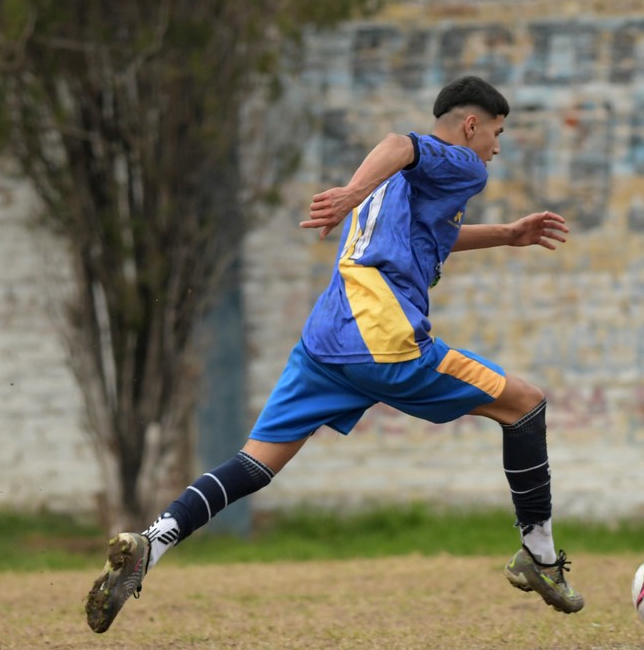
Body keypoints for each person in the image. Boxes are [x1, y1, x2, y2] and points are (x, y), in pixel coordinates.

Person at [85, 74, 582, 634]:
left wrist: (507, 234)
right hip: (387, 339)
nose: (498, 144)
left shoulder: (407, 184)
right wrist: (347, 193)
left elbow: (433, 229)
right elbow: (401, 142)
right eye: (497, 131)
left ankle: (150, 544)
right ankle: (538, 558)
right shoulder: (463, 165)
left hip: (327, 340)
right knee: (526, 403)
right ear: (472, 126)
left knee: (255, 462)